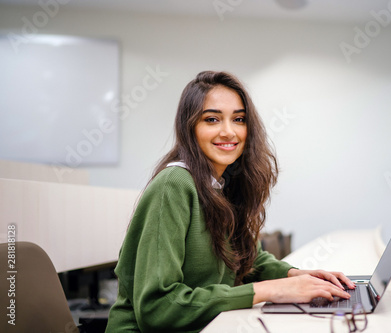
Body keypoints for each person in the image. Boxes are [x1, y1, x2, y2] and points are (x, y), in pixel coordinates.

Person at [105, 71, 355, 333]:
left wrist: (295, 275)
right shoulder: (175, 184)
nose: (228, 132)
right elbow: (158, 308)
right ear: (189, 128)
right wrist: (270, 290)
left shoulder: (221, 184)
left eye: (239, 119)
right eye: (212, 119)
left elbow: (248, 258)